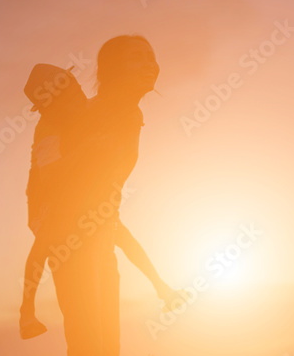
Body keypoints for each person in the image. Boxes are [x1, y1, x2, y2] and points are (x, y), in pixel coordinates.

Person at [24, 35, 167, 356]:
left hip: (102, 239)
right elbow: (53, 177)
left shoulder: (128, 114)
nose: (151, 64)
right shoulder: (83, 114)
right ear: (110, 70)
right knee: (90, 353)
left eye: (151, 55)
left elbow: (106, 197)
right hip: (71, 241)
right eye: (137, 57)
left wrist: (155, 280)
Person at [18, 62, 184, 338]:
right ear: (49, 106)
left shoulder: (87, 108)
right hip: (47, 198)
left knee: (122, 235)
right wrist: (88, 148)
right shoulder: (47, 128)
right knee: (47, 238)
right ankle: (26, 313)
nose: (77, 94)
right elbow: (50, 177)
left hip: (87, 196)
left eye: (74, 87)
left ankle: (162, 289)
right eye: (66, 94)